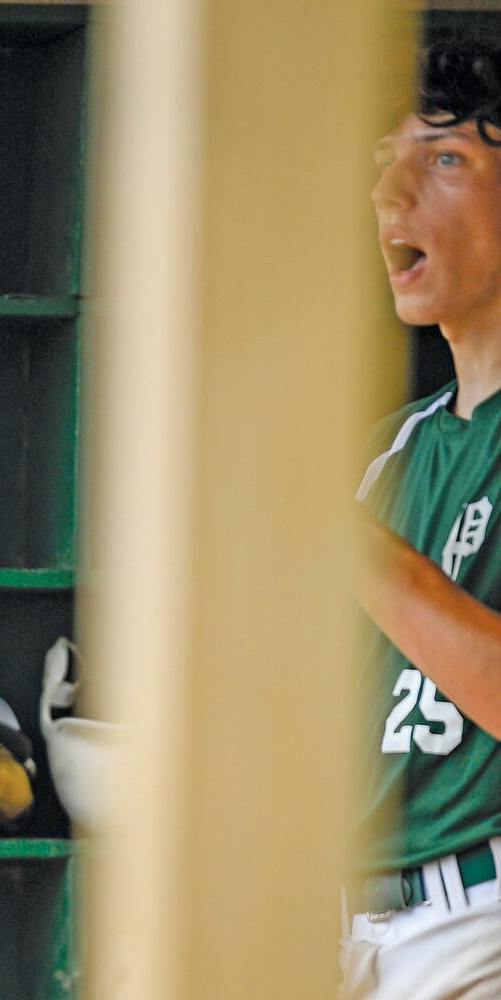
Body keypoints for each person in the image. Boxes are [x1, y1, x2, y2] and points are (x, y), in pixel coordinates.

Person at [345, 39, 501, 999]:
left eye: (444, 158)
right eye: (383, 164)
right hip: (347, 914)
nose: (391, 196)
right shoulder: (387, 451)